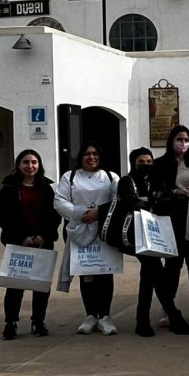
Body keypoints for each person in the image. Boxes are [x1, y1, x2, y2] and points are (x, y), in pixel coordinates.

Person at [120, 147, 189, 337]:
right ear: (133, 163)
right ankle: (174, 315)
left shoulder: (157, 180)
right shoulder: (126, 181)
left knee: (149, 275)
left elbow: (167, 200)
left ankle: (142, 320)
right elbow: (130, 202)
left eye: (149, 161)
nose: (145, 165)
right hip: (137, 235)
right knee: (156, 271)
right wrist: (154, 200)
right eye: (141, 162)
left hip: (156, 233)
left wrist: (148, 200)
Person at [0, 149, 61, 339]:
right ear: (18, 165)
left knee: (41, 285)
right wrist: (22, 236)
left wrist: (44, 235)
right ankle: (11, 322)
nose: (30, 166)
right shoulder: (9, 188)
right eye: (26, 162)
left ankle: (38, 321)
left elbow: (54, 215)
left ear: (39, 165)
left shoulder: (46, 188)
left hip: (42, 242)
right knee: (15, 284)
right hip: (18, 242)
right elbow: (2, 217)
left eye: (34, 162)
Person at [54, 141, 119, 336]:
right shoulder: (70, 177)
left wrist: (98, 213)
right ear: (81, 157)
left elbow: (118, 199)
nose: (92, 157)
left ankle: (105, 316)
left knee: (105, 272)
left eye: (95, 154)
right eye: (87, 154)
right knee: (86, 272)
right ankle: (91, 315)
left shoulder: (110, 177)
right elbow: (59, 201)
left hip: (105, 230)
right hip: (79, 230)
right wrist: (82, 213)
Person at [150, 125, 189, 323]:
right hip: (171, 220)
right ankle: (168, 306)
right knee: (172, 266)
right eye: (179, 139)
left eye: (186, 140)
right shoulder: (160, 164)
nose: (183, 143)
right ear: (171, 141)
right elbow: (155, 191)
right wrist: (173, 193)